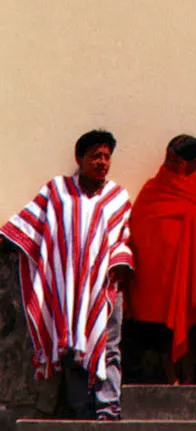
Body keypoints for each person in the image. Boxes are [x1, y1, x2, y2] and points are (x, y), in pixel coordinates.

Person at [0, 130, 133, 420]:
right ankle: (81, 408)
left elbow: (121, 238)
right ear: (80, 158)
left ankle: (108, 407)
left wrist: (121, 262)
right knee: (71, 346)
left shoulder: (117, 197)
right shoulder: (57, 191)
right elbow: (30, 223)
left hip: (103, 287)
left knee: (108, 346)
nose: (102, 162)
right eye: (95, 156)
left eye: (107, 157)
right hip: (65, 289)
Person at [127, 135, 196, 385]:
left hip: (193, 280)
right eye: (167, 158)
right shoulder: (153, 189)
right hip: (161, 276)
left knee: (191, 330)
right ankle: (171, 378)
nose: (168, 164)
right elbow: (140, 225)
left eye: (175, 161)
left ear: (194, 162)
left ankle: (188, 378)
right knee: (164, 333)